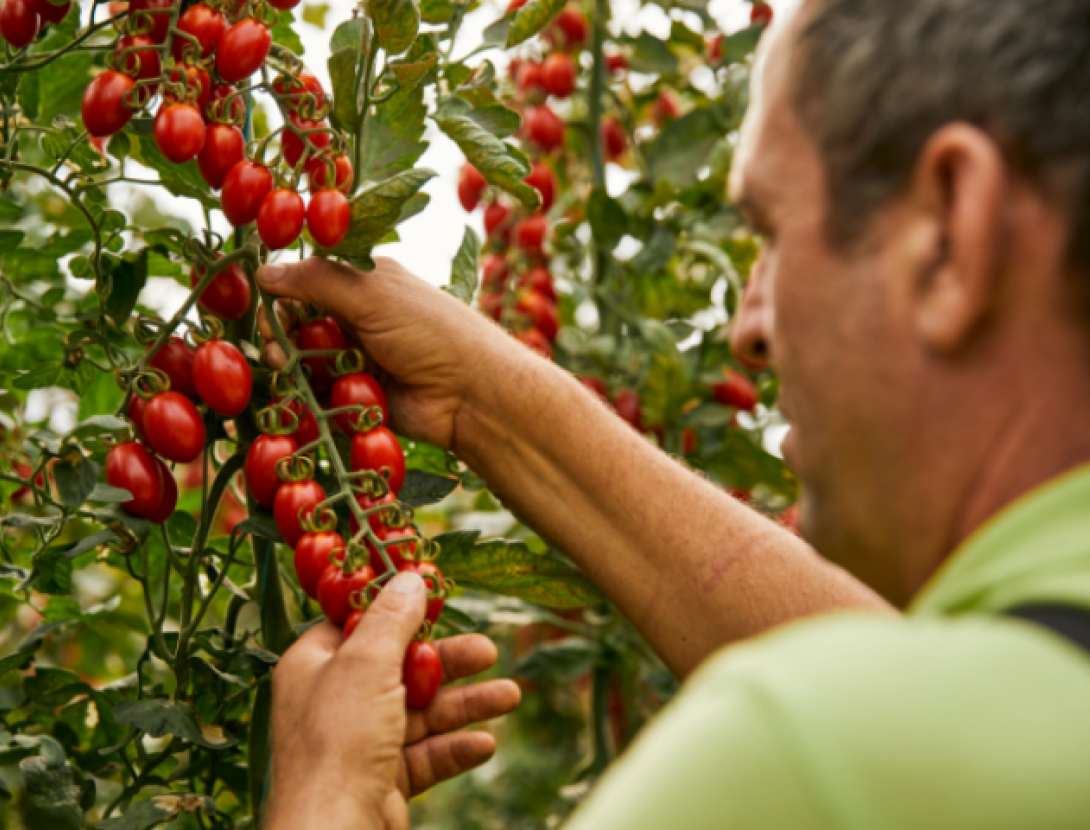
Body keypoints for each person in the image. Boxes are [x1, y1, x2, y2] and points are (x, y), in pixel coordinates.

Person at [260, 0, 1090, 826]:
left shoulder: (798, 757)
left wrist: (323, 796)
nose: (749, 328)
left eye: (770, 229)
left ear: (948, 234)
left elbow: (857, 724)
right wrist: (482, 398)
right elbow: (914, 691)